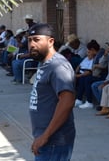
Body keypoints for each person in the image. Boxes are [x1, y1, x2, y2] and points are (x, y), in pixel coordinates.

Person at [28, 23, 76, 160]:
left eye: (37, 40)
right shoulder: (44, 63)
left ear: (50, 41)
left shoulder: (58, 66)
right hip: (46, 138)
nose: (31, 44)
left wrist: (45, 136)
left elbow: (67, 102)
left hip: (54, 141)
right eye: (29, 40)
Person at [74, 39, 104, 108]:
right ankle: (79, 99)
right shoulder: (96, 55)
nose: (88, 52)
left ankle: (89, 102)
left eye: (89, 51)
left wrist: (78, 75)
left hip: (100, 75)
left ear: (93, 49)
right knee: (84, 78)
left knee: (87, 79)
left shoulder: (99, 55)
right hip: (95, 74)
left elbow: (92, 70)